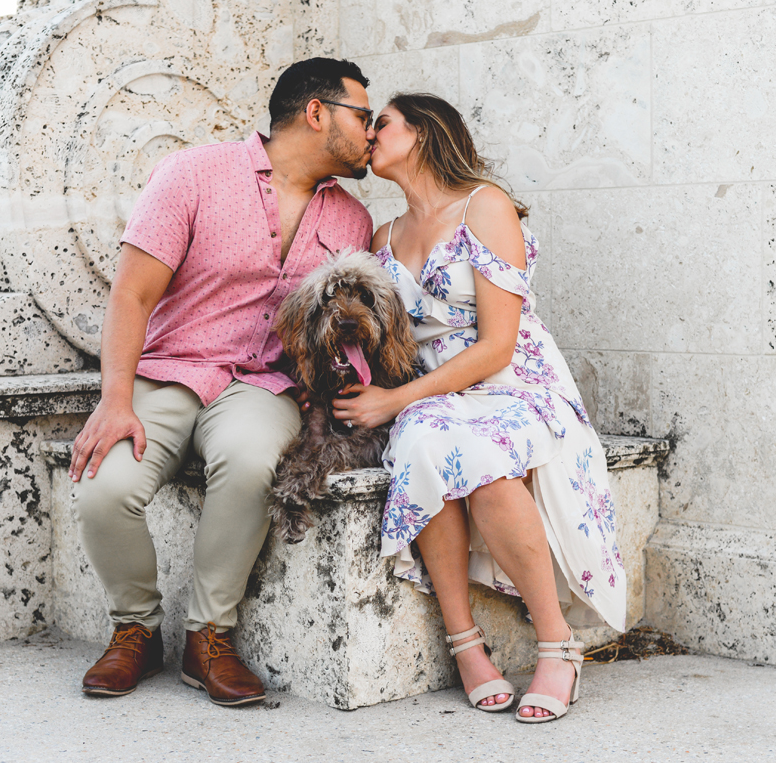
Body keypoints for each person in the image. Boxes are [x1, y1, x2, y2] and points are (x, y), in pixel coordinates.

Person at [67, 58, 376, 706]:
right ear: (316, 113)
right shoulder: (193, 174)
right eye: (363, 117)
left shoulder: (353, 220)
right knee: (105, 487)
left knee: (250, 460)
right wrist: (115, 401)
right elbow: (131, 296)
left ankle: (208, 635)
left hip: (263, 386)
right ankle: (134, 628)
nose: (371, 133)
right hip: (171, 370)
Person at [331, 93, 626, 723]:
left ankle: (557, 645)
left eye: (381, 123)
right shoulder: (382, 235)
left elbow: (496, 345)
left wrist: (396, 400)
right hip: (432, 393)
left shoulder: (484, 206)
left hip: (512, 382)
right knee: (422, 441)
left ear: (425, 132)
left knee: (477, 459)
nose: (369, 134)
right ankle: (465, 645)